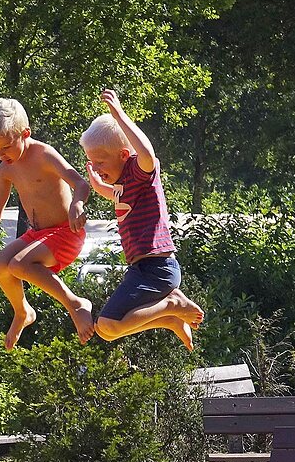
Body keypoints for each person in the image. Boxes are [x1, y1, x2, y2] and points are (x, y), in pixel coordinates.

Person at [0, 98, 94, 349]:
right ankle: (22, 311)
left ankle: (76, 303)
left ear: (25, 134)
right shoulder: (6, 169)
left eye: (5, 147)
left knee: (20, 264)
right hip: (39, 235)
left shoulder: (44, 154)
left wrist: (77, 204)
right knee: (0, 264)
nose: (0, 155)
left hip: (67, 233)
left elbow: (80, 183)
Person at [81, 89, 204, 349]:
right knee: (106, 329)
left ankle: (172, 305)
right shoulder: (125, 185)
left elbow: (148, 154)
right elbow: (114, 195)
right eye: (93, 162)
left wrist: (119, 114)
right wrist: (95, 181)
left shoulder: (140, 172)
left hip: (157, 268)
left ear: (124, 155)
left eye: (100, 162)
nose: (98, 168)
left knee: (108, 324)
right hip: (141, 269)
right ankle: (169, 319)